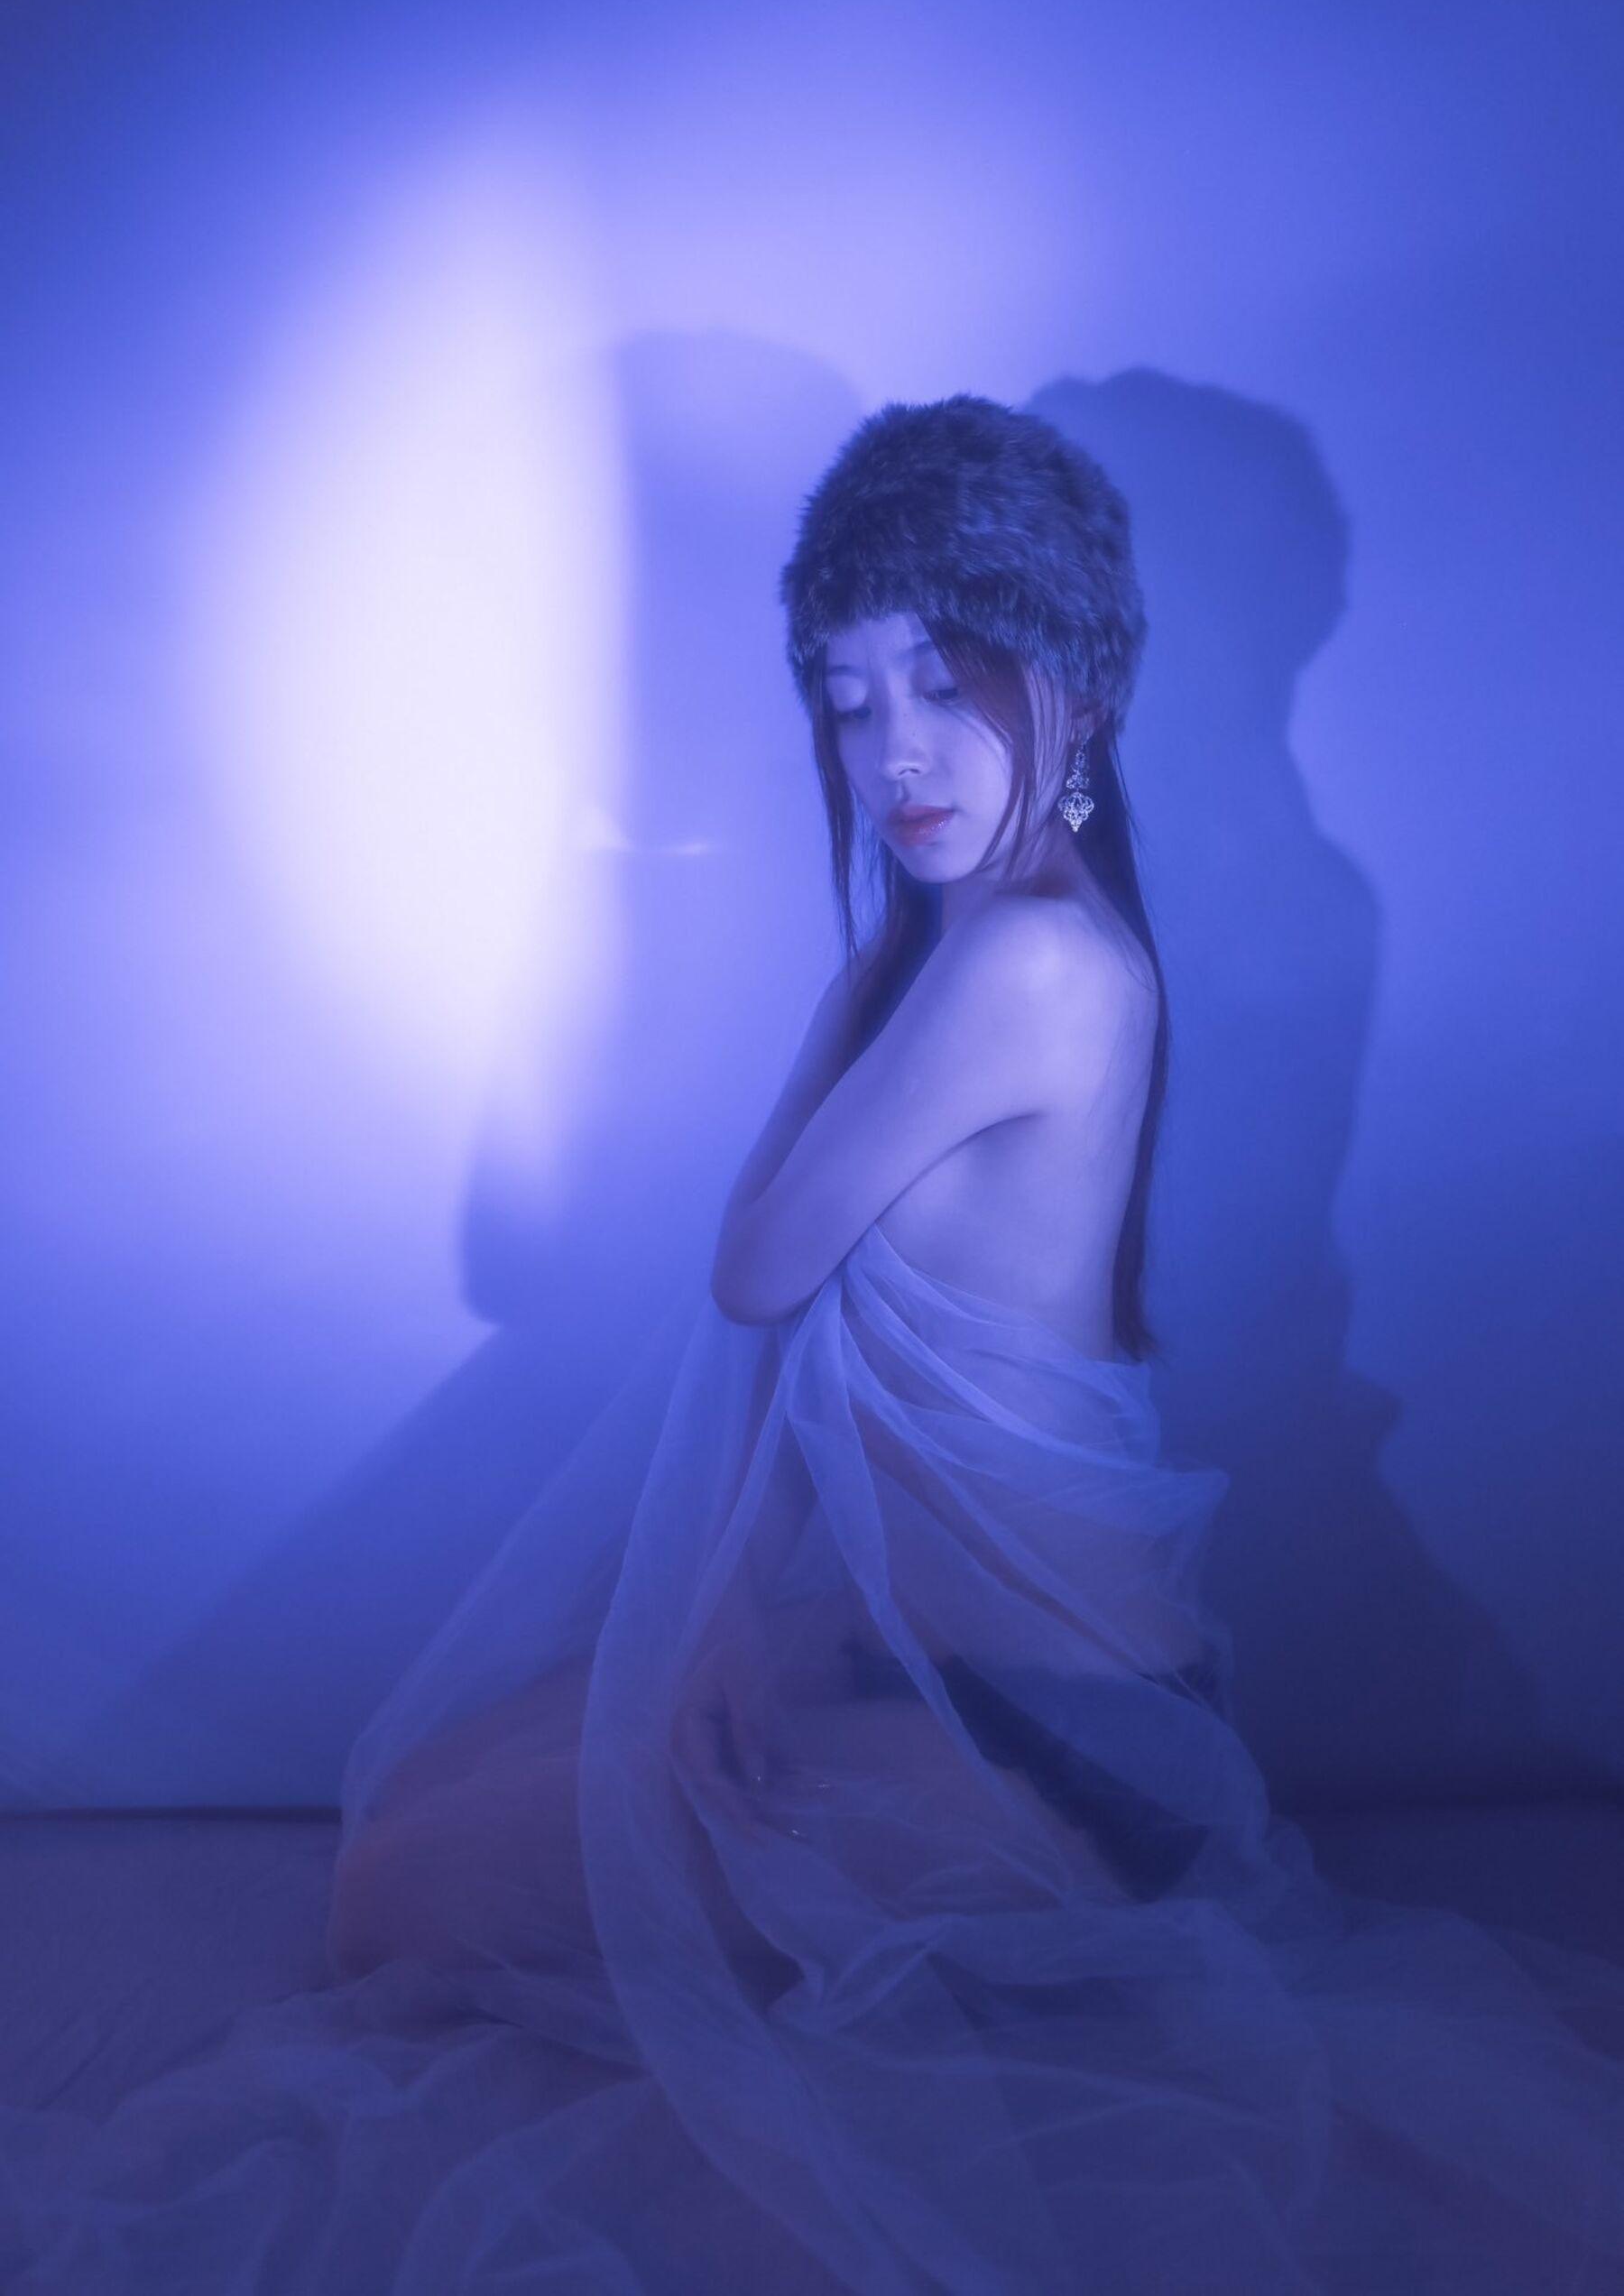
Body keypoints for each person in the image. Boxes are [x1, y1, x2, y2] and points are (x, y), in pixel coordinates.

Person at [5, 397, 1624, 2293]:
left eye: (942, 681)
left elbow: (762, 1268)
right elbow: (833, 1354)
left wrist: (857, 976)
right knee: (421, 1800)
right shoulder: (983, 940)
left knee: (393, 1895)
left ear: (1077, 683)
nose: (891, 753)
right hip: (903, 1665)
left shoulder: (1025, 963)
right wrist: (726, 1620)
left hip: (1061, 1753)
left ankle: (1000, 1949)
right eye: (848, 700)